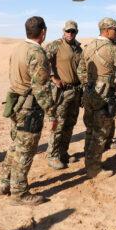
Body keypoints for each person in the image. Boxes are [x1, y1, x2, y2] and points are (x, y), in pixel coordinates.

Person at [0, 16, 54, 205]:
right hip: (29, 109)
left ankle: (5, 182)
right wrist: (51, 111)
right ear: (43, 32)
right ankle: (19, 193)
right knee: (25, 151)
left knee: (15, 146)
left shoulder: (19, 48)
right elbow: (40, 87)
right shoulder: (37, 53)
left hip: (16, 104)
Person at [77, 17, 116, 178]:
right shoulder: (113, 50)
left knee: (90, 129)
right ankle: (94, 169)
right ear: (106, 31)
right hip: (105, 97)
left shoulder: (89, 47)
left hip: (90, 94)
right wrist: (115, 81)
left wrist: (90, 84)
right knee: (100, 133)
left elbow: (81, 71)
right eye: (115, 29)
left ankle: (89, 160)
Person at [44, 20, 83, 170]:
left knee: (70, 124)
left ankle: (62, 152)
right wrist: (53, 77)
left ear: (76, 32)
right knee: (58, 125)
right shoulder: (56, 45)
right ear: (63, 31)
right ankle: (52, 156)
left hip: (75, 91)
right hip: (61, 92)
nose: (70, 34)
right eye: (68, 31)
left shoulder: (79, 48)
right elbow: (43, 61)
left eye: (72, 31)